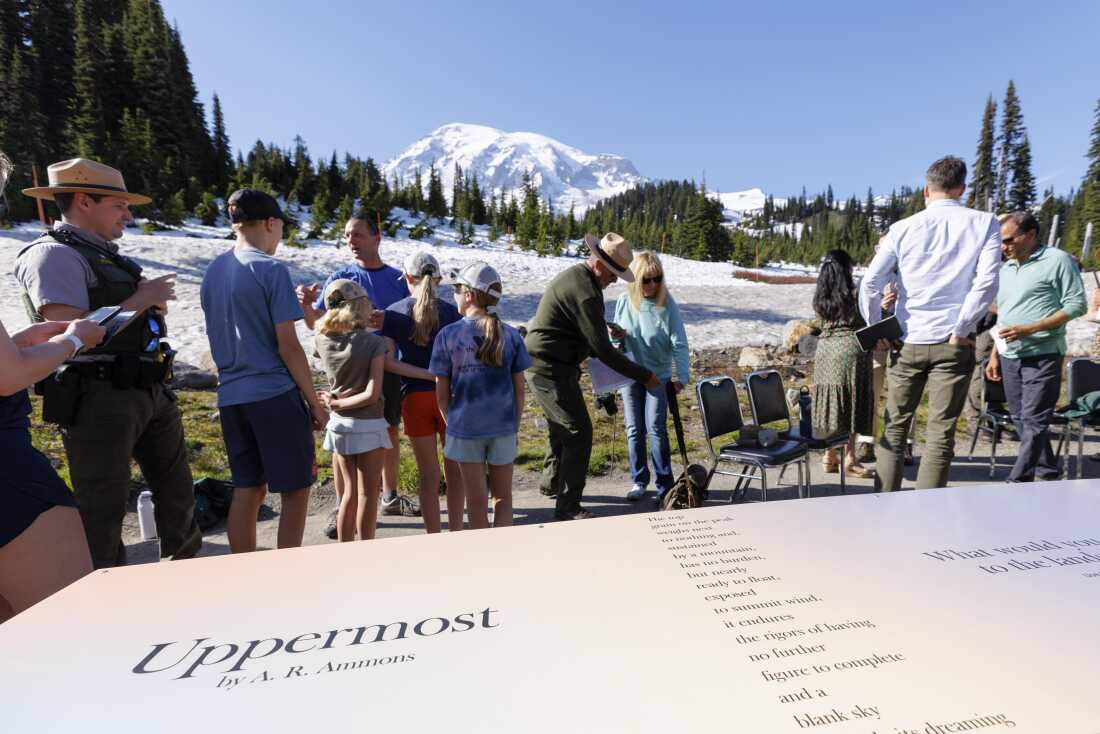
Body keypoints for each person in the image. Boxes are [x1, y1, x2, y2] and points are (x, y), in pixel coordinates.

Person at [15, 158, 201, 568]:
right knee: (102, 510)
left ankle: (189, 589)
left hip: (148, 389)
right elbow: (69, 335)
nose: (128, 214)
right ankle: (104, 603)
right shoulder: (52, 257)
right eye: (118, 205)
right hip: (99, 398)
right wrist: (139, 301)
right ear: (83, 200)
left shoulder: (104, 255)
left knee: (179, 500)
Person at [0, 151, 106, 621]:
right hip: (9, 485)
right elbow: (7, 377)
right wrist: (72, 341)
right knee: (68, 628)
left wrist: (19, 344)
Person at [859, 155, 1001, 491]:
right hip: (953, 342)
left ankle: (883, 504)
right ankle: (927, 516)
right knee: (940, 433)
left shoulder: (903, 228)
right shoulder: (984, 222)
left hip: (907, 340)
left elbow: (869, 284)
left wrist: (877, 328)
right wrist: (962, 328)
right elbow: (987, 283)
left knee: (894, 427)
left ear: (927, 188)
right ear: (961, 189)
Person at [200, 189, 326, 552]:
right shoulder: (270, 269)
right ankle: (286, 570)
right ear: (270, 223)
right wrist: (313, 402)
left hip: (231, 395)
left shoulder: (214, 271)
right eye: (280, 228)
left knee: (248, 487)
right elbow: (288, 344)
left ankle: (246, 570)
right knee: (296, 488)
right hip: (273, 393)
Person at [524, 233, 660, 520]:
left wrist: (604, 325)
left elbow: (579, 322)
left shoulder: (579, 279)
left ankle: (552, 483)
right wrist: (644, 375)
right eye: (614, 274)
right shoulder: (586, 291)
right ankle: (568, 506)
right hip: (549, 366)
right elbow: (603, 351)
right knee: (578, 432)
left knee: (561, 427)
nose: (614, 281)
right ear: (600, 265)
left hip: (549, 362)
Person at [296, 215, 414, 520]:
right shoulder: (341, 277)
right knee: (344, 435)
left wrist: (389, 323)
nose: (351, 241)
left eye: (358, 235)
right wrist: (308, 306)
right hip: (346, 367)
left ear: (377, 237)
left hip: (385, 363)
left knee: (388, 429)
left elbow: (411, 324)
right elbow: (317, 325)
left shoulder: (396, 280)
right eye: (348, 235)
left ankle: (389, 496)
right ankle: (342, 506)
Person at [985, 211, 1086, 482]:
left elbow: (1077, 305)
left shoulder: (1058, 261)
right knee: (1020, 418)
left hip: (1043, 354)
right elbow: (1004, 315)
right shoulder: (1005, 269)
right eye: (1000, 242)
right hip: (1009, 355)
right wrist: (995, 354)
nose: (1003, 247)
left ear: (1030, 235)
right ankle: (1048, 472)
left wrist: (1030, 329)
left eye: (1008, 240)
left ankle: (1017, 480)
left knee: (1034, 420)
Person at [430, 263, 530, 529]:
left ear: (469, 295)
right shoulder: (510, 334)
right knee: (503, 498)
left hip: (464, 429)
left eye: (457, 290)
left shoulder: (447, 335)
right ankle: (503, 554)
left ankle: (481, 560)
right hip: (503, 428)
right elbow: (520, 388)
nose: (454, 295)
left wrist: (451, 423)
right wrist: (514, 424)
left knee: (475, 502)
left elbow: (441, 391)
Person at [381, 252, 464, 533]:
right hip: (449, 398)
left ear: (407, 278)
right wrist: (438, 376)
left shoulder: (393, 313)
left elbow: (389, 363)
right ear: (438, 280)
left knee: (428, 474)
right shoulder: (452, 312)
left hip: (414, 400)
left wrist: (424, 375)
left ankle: (433, 535)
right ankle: (456, 532)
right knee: (455, 471)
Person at [610, 251, 690, 502]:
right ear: (635, 280)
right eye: (647, 280)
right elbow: (615, 341)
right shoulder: (624, 302)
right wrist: (617, 337)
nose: (653, 285)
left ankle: (664, 484)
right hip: (631, 374)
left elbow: (680, 343)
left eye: (658, 279)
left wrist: (682, 376)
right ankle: (639, 480)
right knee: (634, 429)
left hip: (658, 377)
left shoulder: (667, 304)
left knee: (656, 429)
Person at [314, 280, 390, 540]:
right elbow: (372, 394)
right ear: (360, 305)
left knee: (348, 492)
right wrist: (337, 403)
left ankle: (345, 547)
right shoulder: (372, 344)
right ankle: (366, 546)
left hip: (339, 426)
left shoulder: (322, 339)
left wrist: (334, 405)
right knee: (369, 492)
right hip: (368, 424)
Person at [811, 250, 875, 478]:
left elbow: (817, 325)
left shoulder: (820, 296)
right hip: (850, 350)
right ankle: (850, 458)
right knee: (851, 405)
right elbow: (869, 319)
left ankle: (829, 456)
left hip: (825, 352)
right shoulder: (855, 294)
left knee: (831, 405)